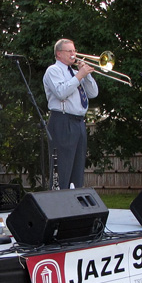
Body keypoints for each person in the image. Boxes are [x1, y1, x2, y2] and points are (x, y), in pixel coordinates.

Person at [43, 38, 98, 190]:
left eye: (74, 50)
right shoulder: (53, 70)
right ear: (59, 54)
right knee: (62, 168)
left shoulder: (75, 73)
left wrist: (86, 75)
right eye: (70, 51)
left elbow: (93, 93)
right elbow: (61, 92)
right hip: (62, 120)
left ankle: (75, 203)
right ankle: (58, 206)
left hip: (79, 122)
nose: (74, 54)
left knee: (78, 168)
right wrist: (79, 75)